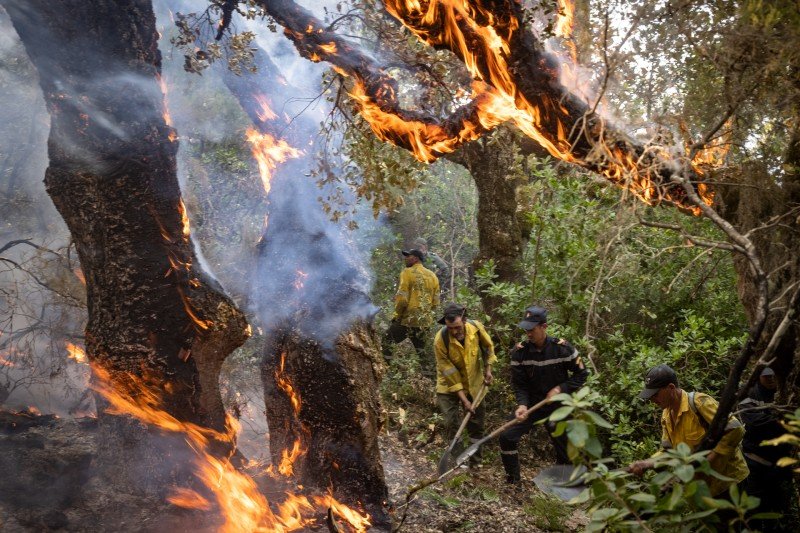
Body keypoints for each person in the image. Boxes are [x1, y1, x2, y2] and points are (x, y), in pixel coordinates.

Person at [629, 364, 749, 497]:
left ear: (671, 388)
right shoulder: (666, 415)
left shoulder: (699, 403)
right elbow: (668, 452)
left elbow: (735, 428)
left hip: (729, 483)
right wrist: (646, 463)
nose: (652, 400)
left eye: (655, 394)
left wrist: (711, 458)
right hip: (703, 490)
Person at [499, 305, 588, 484]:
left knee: (565, 448)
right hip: (533, 404)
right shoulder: (519, 353)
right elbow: (519, 384)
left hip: (558, 406)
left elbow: (582, 374)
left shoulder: (563, 349)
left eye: (532, 330)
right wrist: (522, 405)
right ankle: (513, 482)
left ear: (544, 327)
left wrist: (560, 389)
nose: (528, 334)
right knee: (506, 436)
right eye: (526, 330)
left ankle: (565, 486)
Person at [434, 303, 496, 465]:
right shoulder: (441, 340)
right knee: (451, 422)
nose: (454, 332)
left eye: (457, 327)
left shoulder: (476, 328)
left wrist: (488, 369)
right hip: (448, 385)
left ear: (465, 320)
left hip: (474, 382)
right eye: (450, 328)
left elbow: (488, 348)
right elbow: (449, 374)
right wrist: (464, 400)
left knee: (476, 425)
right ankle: (458, 460)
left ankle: (476, 462)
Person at [738, 367, 795, 531]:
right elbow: (754, 422)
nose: (771, 379)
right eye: (767, 376)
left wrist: (773, 423)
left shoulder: (787, 391)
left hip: (780, 464)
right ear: (759, 377)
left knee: (777, 509)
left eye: (773, 376)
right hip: (755, 462)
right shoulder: (749, 392)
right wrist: (782, 423)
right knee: (753, 508)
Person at [384, 249, 440, 370]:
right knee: (422, 352)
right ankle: (429, 379)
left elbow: (402, 298)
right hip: (425, 322)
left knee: (387, 340)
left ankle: (385, 370)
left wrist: (397, 315)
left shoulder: (407, 272)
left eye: (408, 256)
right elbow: (435, 303)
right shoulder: (433, 276)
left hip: (408, 319)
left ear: (415, 258)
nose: (405, 258)